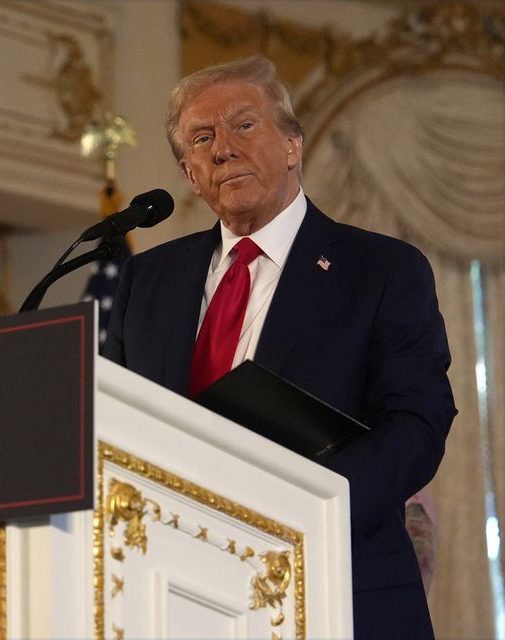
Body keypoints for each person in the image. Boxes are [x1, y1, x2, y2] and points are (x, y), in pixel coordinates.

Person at [102, 56, 456, 640]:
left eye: (244, 125)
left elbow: (417, 422)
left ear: (292, 145)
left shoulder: (381, 269)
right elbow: (117, 427)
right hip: (173, 592)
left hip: (333, 582)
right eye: (201, 138)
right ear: (191, 175)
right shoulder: (146, 281)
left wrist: (301, 514)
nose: (223, 148)